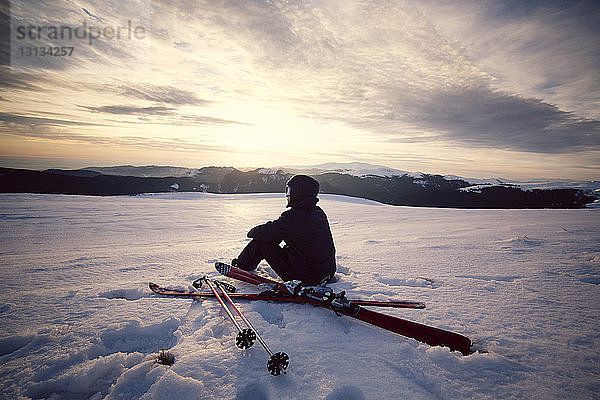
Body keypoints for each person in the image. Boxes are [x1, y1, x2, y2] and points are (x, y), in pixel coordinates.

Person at [232, 174, 336, 286]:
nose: (287, 195)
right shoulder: (318, 212)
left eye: (289, 191)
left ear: (298, 193)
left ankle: (241, 267)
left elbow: (264, 232)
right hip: (326, 272)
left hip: (305, 278)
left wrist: (252, 231)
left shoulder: (293, 217)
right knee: (276, 237)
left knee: (261, 242)